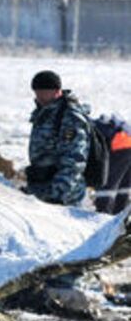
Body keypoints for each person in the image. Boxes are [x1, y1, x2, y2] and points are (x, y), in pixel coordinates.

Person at [23, 70, 89, 206]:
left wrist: (57, 194)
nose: (39, 97)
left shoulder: (70, 117)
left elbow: (74, 161)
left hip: (64, 194)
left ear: (56, 91)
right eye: (37, 93)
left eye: (43, 93)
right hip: (43, 187)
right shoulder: (45, 111)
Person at [93, 113, 131, 214]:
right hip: (127, 141)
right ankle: (120, 215)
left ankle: (102, 213)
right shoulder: (100, 124)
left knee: (107, 183)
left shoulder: (83, 128)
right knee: (124, 187)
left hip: (118, 145)